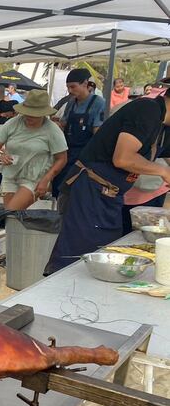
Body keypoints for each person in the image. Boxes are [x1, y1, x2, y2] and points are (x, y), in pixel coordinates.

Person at [46, 86, 170, 275]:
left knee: (105, 258)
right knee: (76, 265)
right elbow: (123, 158)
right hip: (89, 191)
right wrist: (163, 171)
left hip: (111, 197)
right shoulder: (148, 109)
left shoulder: (162, 127)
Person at [0, 89, 68, 211]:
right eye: (27, 113)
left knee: (11, 211)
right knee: (10, 215)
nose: (29, 117)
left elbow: (62, 159)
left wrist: (47, 179)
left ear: (43, 114)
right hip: (10, 175)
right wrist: (0, 156)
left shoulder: (52, 130)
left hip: (35, 178)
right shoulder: (13, 123)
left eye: (34, 115)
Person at [51, 68, 105, 197]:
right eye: (68, 87)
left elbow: (98, 133)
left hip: (85, 155)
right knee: (59, 187)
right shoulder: (71, 103)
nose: (70, 90)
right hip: (67, 152)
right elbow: (64, 124)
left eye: (73, 87)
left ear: (85, 83)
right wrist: (54, 124)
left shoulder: (98, 103)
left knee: (76, 192)